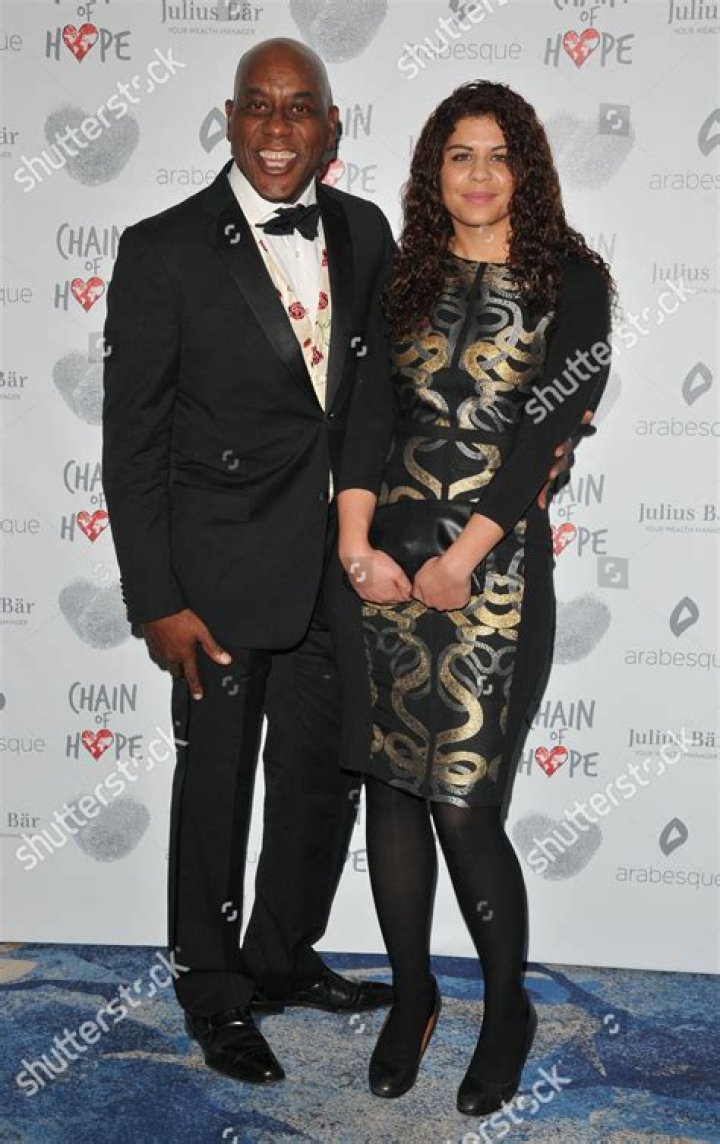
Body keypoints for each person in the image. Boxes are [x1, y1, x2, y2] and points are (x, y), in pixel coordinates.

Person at [101, 37, 398, 1086]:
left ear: (331, 127)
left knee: (323, 778)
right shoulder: (164, 249)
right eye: (258, 107)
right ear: (230, 120)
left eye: (299, 107)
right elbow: (133, 444)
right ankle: (215, 989)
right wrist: (156, 598)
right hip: (216, 577)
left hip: (336, 568)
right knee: (216, 791)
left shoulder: (365, 230)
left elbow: (381, 398)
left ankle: (280, 956)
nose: (278, 128)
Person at [332, 80, 614, 1114]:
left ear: (526, 169)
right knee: (391, 790)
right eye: (460, 154)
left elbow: (544, 435)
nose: (480, 174)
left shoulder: (572, 281)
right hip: (382, 570)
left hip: (494, 574)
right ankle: (412, 997)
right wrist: (355, 546)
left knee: (462, 800)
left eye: (500, 155)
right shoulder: (402, 276)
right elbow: (367, 417)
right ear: (434, 171)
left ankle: (505, 1009)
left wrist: (465, 556)